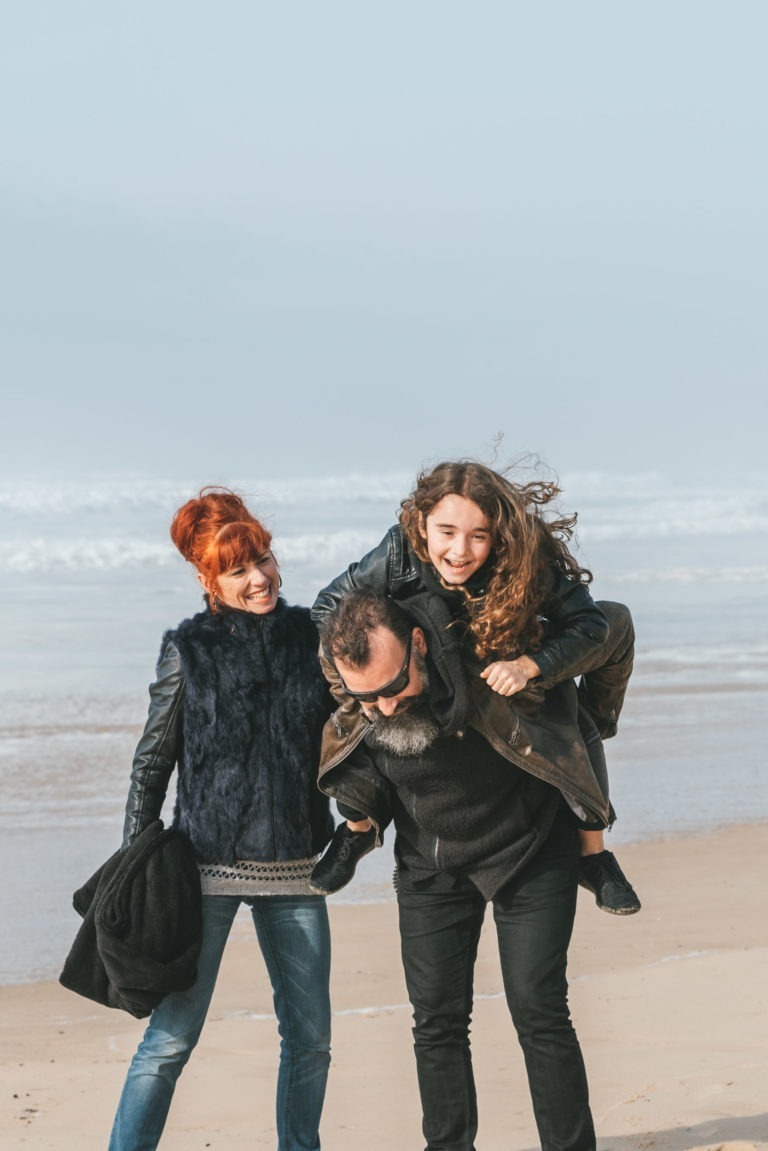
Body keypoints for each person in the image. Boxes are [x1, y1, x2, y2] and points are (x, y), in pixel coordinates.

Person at [317, 590, 605, 1151]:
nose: (383, 707)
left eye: (392, 687)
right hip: (431, 862)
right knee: (437, 1022)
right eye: (366, 696)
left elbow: (602, 633)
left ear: (418, 644)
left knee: (539, 1009)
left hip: (530, 845)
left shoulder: (489, 658)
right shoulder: (359, 696)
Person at [107, 488, 335, 1151]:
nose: (258, 577)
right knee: (171, 1039)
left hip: (298, 864)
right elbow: (152, 762)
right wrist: (134, 863)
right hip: (204, 866)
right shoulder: (189, 650)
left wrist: (361, 822)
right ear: (209, 578)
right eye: (237, 569)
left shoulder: (310, 640)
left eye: (262, 558)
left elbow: (344, 739)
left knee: (311, 1038)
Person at [310, 459, 639, 914]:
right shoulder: (397, 552)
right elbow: (326, 606)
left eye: (477, 536)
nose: (459, 551)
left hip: (502, 659)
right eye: (446, 531)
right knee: (360, 686)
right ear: (421, 524)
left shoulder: (524, 561)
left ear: (497, 535)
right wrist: (368, 674)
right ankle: (357, 828)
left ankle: (594, 856)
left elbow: (591, 624)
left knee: (569, 705)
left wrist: (531, 665)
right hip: (419, 657)